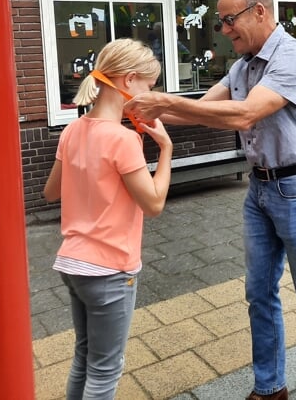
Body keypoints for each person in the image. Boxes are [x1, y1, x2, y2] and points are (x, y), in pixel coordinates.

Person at [125, 0, 296, 400]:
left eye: (229, 20)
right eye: (221, 21)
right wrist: (137, 105)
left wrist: (166, 104)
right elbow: (206, 108)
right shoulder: (243, 67)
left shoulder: (295, 56)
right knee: (259, 294)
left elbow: (245, 113)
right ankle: (270, 388)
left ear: (260, 12)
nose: (224, 30)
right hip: (261, 191)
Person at [42, 38, 172, 400]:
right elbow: (154, 204)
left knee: (84, 358)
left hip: (72, 262)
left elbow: (51, 192)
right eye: (150, 85)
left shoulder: (72, 130)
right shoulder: (122, 140)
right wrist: (166, 150)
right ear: (129, 81)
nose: (152, 94)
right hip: (111, 270)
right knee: (105, 371)